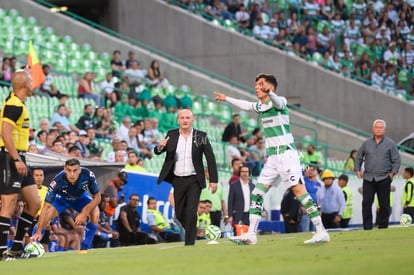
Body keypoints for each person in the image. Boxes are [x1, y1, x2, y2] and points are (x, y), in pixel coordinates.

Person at [215, 73, 329, 245]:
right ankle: (251, 235)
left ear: (270, 87)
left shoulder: (279, 102)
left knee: (299, 192)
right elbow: (246, 105)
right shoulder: (261, 106)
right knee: (257, 192)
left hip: (286, 154)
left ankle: (321, 231)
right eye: (256, 84)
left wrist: (272, 94)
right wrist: (227, 98)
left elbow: (279, 102)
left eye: (260, 84)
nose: (256, 87)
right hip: (273, 158)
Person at [155, 109, 218, 246]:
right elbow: (158, 151)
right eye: (182, 118)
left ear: (192, 120)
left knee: (191, 210)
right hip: (177, 179)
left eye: (187, 117)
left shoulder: (201, 136)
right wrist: (160, 146)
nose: (185, 120)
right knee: (179, 213)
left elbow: (210, 158)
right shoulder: (171, 134)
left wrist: (213, 180)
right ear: (178, 120)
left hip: (195, 179)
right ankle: (192, 230)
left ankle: (189, 242)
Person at [0, 69, 42, 260]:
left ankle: (16, 248)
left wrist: (23, 72)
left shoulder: (17, 101)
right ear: (25, 86)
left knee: (34, 203)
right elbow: (5, 132)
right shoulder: (14, 105)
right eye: (31, 81)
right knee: (8, 205)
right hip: (10, 158)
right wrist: (16, 159)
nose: (33, 84)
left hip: (20, 158)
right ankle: (2, 252)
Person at [32, 158, 101, 251]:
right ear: (65, 169)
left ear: (79, 170)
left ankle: (85, 246)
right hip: (61, 200)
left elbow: (98, 197)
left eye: (75, 170)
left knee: (95, 212)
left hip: (80, 198)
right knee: (45, 217)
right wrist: (39, 231)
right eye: (69, 170)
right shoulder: (57, 181)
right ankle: (32, 244)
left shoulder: (88, 175)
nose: (72, 174)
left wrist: (84, 213)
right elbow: (46, 206)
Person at [355, 119, 401, 230]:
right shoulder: (366, 143)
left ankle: (383, 226)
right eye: (376, 127)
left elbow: (397, 160)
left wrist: (392, 173)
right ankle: (367, 227)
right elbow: (359, 157)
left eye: (381, 127)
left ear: (384, 130)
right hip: (368, 178)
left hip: (384, 178)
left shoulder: (390, 144)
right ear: (373, 129)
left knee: (384, 204)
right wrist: (357, 169)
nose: (378, 129)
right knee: (366, 203)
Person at [299, 164, 321, 232]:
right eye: (308, 170)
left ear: (316, 172)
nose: (310, 172)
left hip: (315, 209)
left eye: (313, 170)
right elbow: (298, 194)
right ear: (305, 172)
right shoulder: (302, 182)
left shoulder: (318, 184)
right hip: (306, 209)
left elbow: (319, 198)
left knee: (314, 230)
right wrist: (301, 206)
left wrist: (319, 208)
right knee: (305, 230)